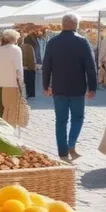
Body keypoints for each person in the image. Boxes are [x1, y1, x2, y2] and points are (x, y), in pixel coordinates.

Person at [43, 13, 97, 161]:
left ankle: (62, 151)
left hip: (58, 87)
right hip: (77, 88)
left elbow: (46, 66)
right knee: (77, 118)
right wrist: (93, 87)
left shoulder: (52, 42)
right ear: (76, 25)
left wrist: (45, 85)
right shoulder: (82, 42)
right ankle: (71, 144)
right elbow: (91, 67)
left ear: (62, 24)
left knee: (60, 120)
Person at [0, 30, 24, 122]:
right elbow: (19, 69)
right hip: (11, 84)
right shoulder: (16, 49)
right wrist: (21, 83)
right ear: (14, 39)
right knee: (9, 110)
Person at [20, 33, 37, 98]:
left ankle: (25, 93)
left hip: (22, 67)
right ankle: (31, 93)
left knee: (24, 82)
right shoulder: (30, 47)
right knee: (30, 81)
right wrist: (33, 67)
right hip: (30, 67)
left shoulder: (20, 46)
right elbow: (31, 58)